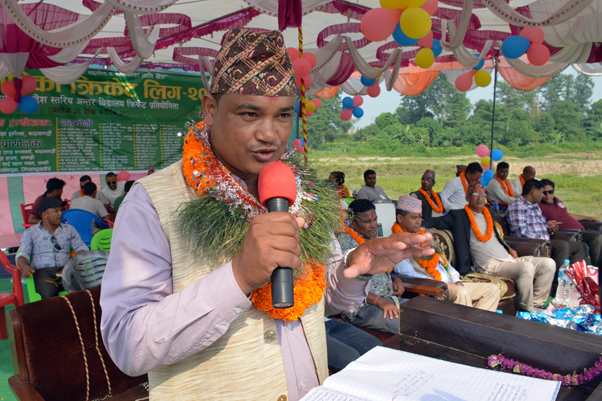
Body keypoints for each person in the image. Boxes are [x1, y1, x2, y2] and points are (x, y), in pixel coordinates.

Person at [100, 28, 434, 401]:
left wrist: (357, 268)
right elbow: (128, 346)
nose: (269, 135)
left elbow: (320, 301)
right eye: (250, 113)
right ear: (211, 109)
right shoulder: (152, 202)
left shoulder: (299, 191)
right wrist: (239, 277)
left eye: (283, 115)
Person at [422, 183, 556, 312]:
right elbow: (434, 221)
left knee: (548, 263)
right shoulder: (458, 216)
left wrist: (508, 247)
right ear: (467, 198)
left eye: (482, 194)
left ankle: (537, 306)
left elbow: (496, 236)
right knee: (527, 267)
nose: (479, 198)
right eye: (475, 194)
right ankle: (528, 308)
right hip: (490, 266)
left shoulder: (489, 213)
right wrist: (415, 224)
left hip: (509, 260)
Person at [392, 195, 499, 311]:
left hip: (452, 284)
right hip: (434, 289)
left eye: (420, 218)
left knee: (492, 290)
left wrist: (457, 281)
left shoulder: (425, 239)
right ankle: (468, 327)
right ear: (400, 218)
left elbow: (446, 264)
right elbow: (409, 275)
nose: (419, 222)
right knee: (461, 292)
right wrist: (443, 284)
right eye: (414, 218)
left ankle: (477, 326)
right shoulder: (395, 245)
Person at [505, 179, 589, 294]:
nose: (543, 196)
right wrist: (542, 241)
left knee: (580, 246)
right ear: (533, 192)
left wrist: (548, 228)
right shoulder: (518, 207)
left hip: (545, 241)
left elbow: (538, 226)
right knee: (561, 245)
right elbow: (521, 232)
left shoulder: (534, 206)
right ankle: (557, 287)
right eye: (542, 193)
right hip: (533, 243)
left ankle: (575, 283)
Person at [336, 199, 406, 335]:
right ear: (353, 223)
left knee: (422, 312)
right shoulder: (344, 244)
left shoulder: (373, 239)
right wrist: (379, 301)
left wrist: (395, 279)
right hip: (361, 307)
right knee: (405, 325)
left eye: (375, 220)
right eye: (368, 221)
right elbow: (346, 285)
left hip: (389, 298)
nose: (374, 225)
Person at [16, 197, 88, 299]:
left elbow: (81, 247)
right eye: (56, 211)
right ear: (44, 214)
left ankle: (79, 315)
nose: (60, 214)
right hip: (43, 273)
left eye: (61, 210)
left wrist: (75, 260)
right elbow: (23, 254)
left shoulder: (69, 229)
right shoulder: (31, 232)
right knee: (49, 293)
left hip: (66, 270)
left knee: (83, 289)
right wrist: (24, 266)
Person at [539, 179, 602, 267]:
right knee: (597, 238)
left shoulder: (556, 200)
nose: (548, 195)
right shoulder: (538, 206)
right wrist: (547, 224)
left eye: (550, 192)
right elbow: (538, 222)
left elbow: (566, 214)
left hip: (581, 229)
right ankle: (597, 269)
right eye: (544, 193)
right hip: (572, 234)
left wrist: (588, 218)